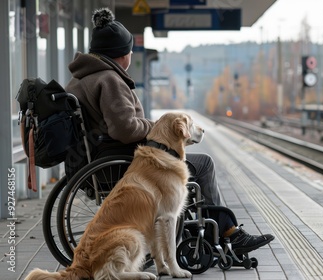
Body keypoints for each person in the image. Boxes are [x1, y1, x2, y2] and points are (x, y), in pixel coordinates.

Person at [64, 7, 273, 255]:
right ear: (122, 55)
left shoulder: (81, 78)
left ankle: (206, 232)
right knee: (204, 165)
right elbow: (125, 128)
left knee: (190, 165)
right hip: (123, 165)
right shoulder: (109, 79)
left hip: (103, 161)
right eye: (129, 50)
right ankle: (227, 233)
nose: (130, 54)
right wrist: (156, 127)